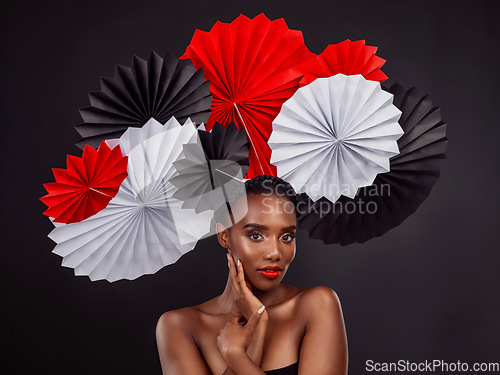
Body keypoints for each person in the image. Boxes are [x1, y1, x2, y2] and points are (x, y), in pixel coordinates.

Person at [156, 175, 348, 374]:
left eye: (286, 237)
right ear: (224, 236)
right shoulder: (180, 325)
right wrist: (256, 331)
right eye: (256, 235)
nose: (274, 253)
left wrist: (237, 356)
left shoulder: (316, 305)